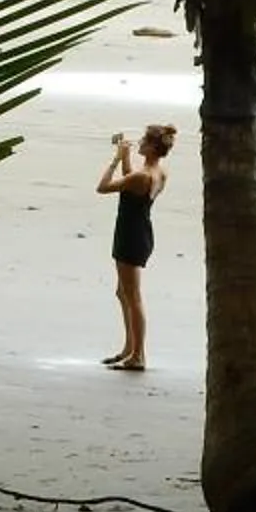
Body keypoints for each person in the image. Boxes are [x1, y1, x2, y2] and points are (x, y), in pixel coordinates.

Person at [97, 124, 178, 371]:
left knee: (133, 297)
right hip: (139, 232)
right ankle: (129, 348)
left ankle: (138, 355)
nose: (139, 142)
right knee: (123, 293)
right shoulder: (157, 173)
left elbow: (103, 187)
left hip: (130, 235)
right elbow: (131, 183)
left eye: (144, 140)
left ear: (153, 146)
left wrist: (115, 160)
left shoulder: (141, 177)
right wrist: (127, 159)